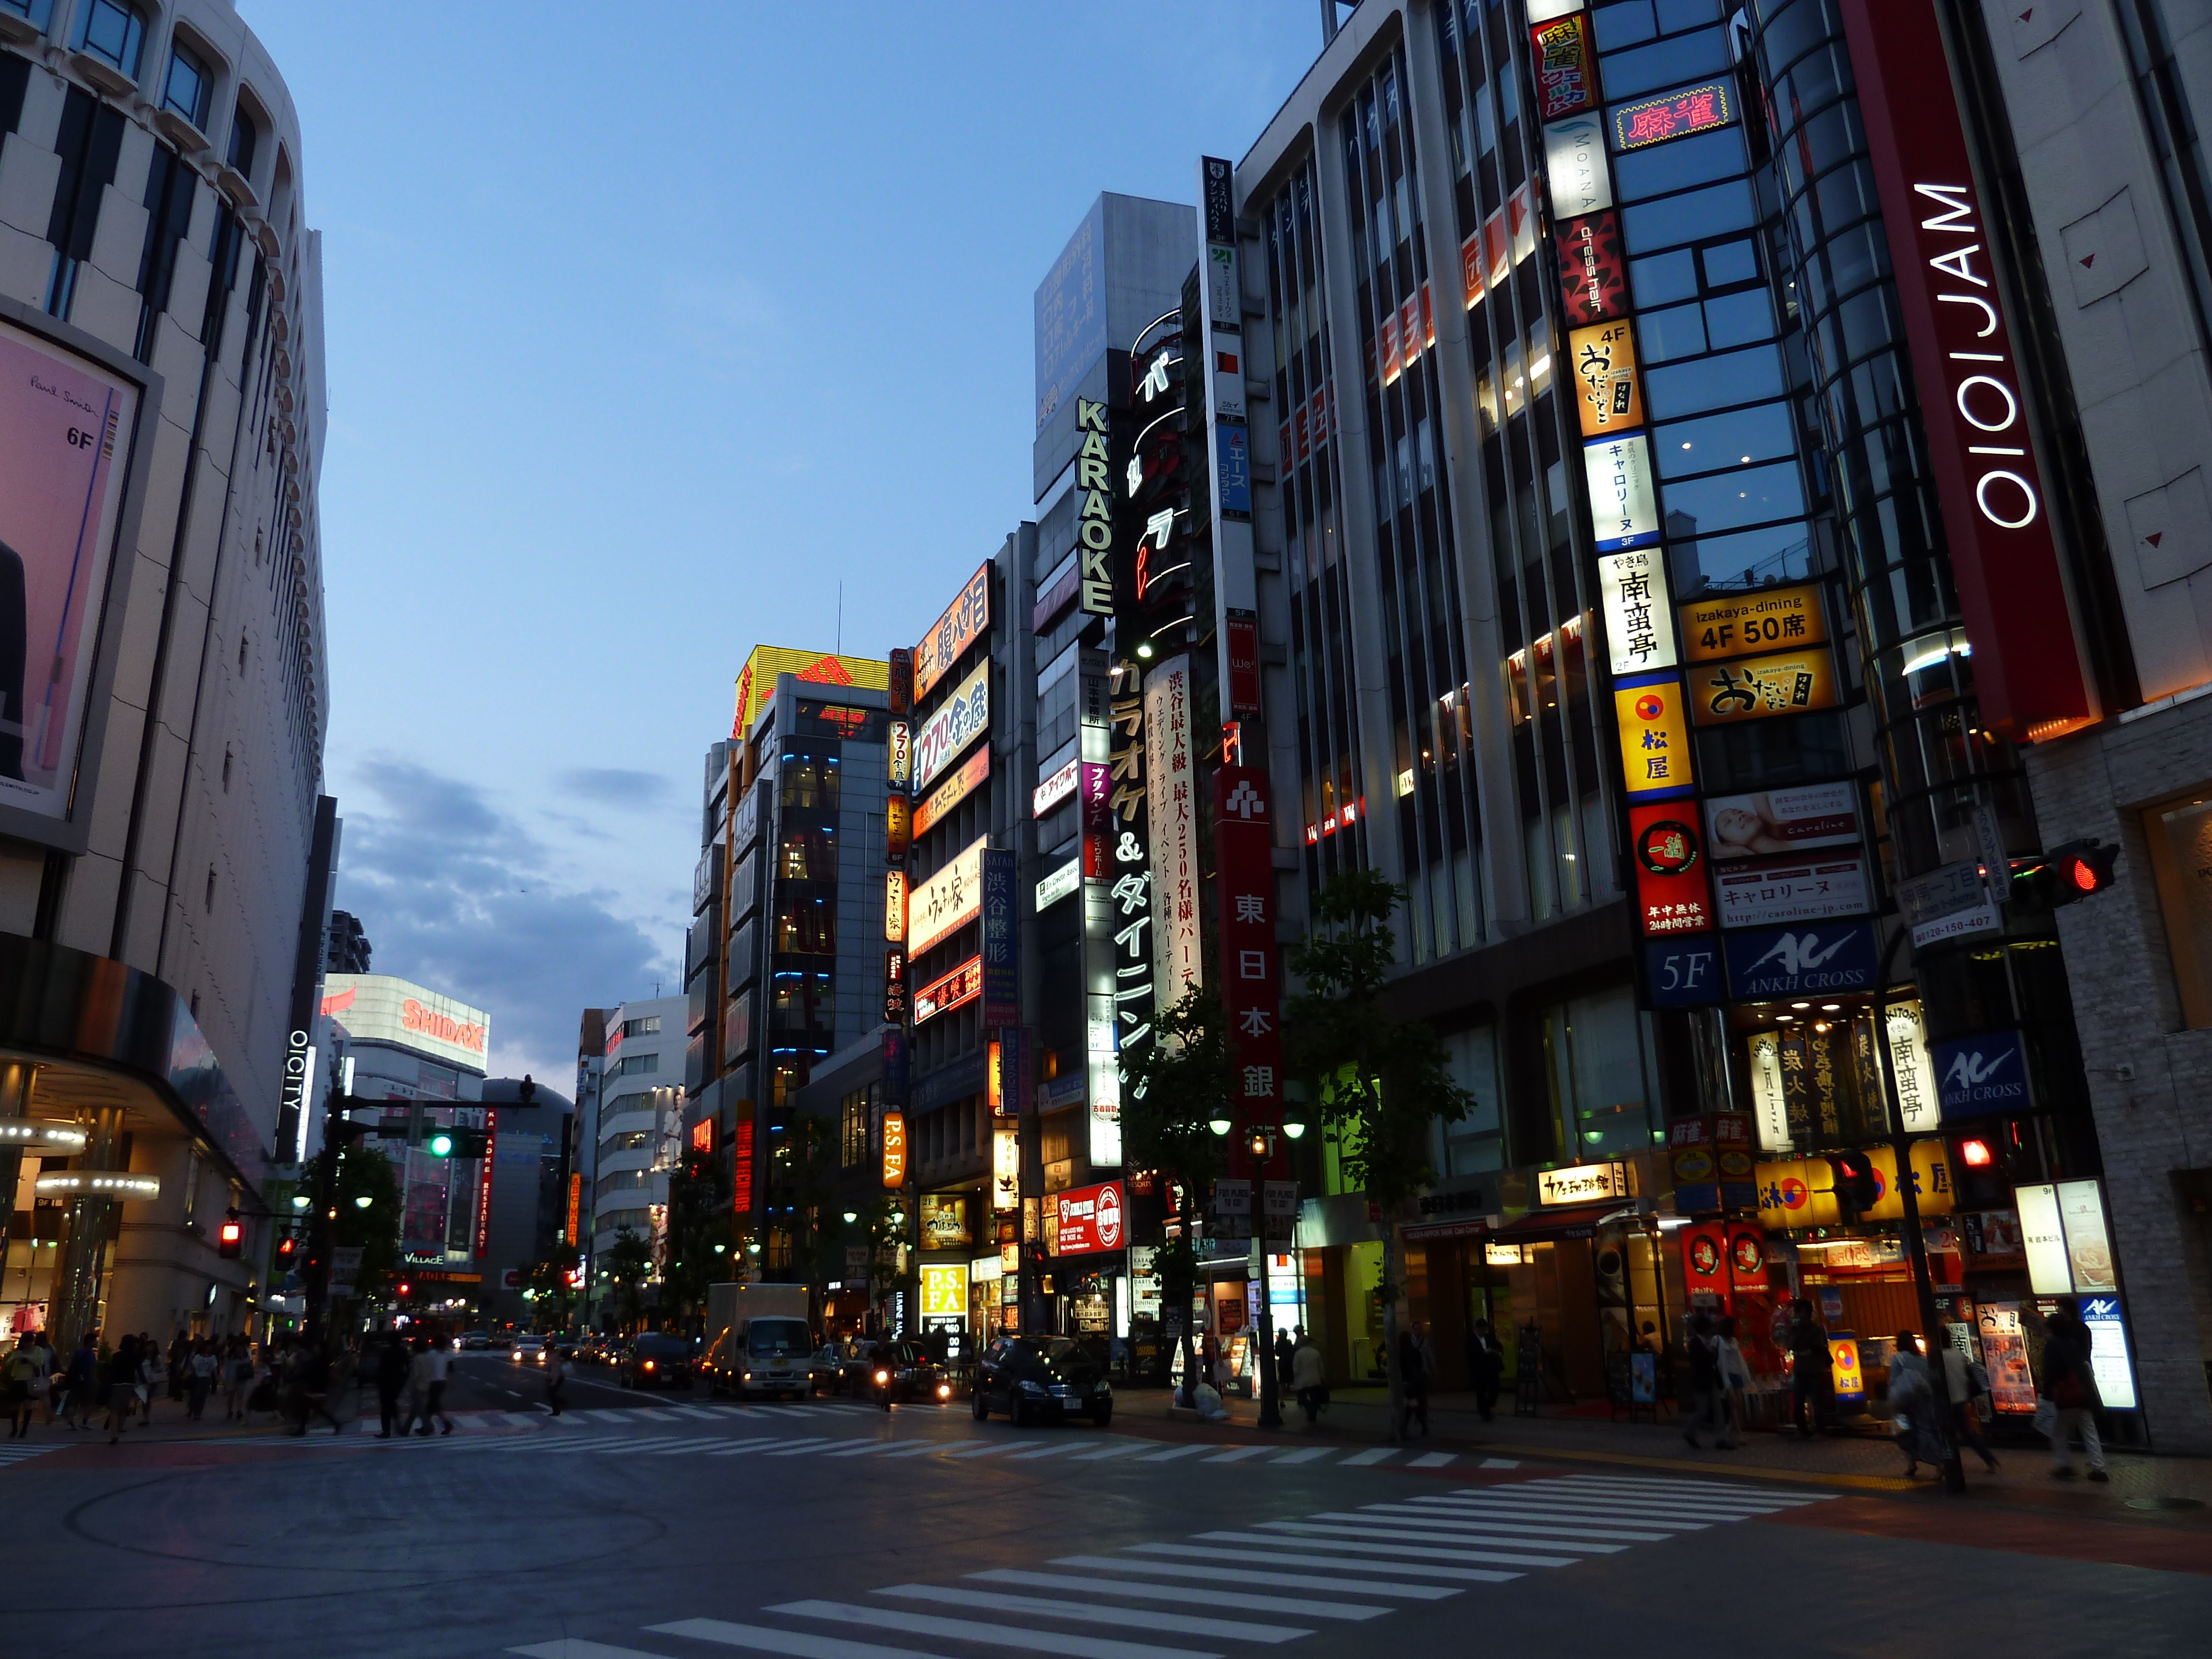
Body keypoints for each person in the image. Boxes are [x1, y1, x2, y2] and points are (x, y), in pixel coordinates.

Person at [2042, 1296, 2108, 1481]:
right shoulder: (2080, 1334)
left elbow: (2051, 1371)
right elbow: (2085, 1359)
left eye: (2059, 1307)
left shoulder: (2054, 1344)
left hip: (2065, 1394)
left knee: (2058, 1431)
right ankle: (2099, 1467)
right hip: (2082, 1390)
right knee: (2089, 1429)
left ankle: (2064, 1466)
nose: (2058, 1309)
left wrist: (2047, 1394)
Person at [1887, 1330, 1944, 1479]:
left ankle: (1930, 1463)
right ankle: (1920, 1464)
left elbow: (1894, 1381)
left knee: (1906, 1431)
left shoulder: (1898, 1359)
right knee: (1926, 1430)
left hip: (1907, 1401)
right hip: (1926, 1399)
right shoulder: (1923, 1359)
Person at [1940, 1339, 2000, 1474]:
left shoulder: (1938, 1357)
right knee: (1967, 1432)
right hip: (1962, 1396)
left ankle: (1949, 1464)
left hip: (1947, 1399)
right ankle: (1988, 1458)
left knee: (1945, 1433)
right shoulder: (1958, 1353)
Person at [1788, 1299, 1832, 1439]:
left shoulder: (1816, 1329)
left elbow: (1817, 1348)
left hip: (1814, 1370)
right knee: (1799, 1402)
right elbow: (1789, 1345)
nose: (1800, 1315)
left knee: (1817, 1402)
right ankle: (1802, 1430)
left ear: (1808, 1313)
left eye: (1802, 1312)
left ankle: (1820, 1430)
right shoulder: (1795, 1328)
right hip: (1800, 1370)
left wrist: (1802, 1351)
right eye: (1798, 1312)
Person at [1682, 1313, 1725, 1448]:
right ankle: (1689, 1432)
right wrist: (1709, 1353)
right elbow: (1697, 1362)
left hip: (1710, 1379)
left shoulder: (1706, 1342)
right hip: (1701, 1382)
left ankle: (1721, 1439)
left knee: (1718, 1410)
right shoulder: (1696, 1343)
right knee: (1702, 1411)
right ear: (1705, 1329)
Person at [1713, 1314, 1751, 1449]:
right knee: (1733, 1403)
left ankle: (1731, 1430)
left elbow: (1739, 1358)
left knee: (1738, 1404)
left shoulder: (1734, 1341)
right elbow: (1714, 1358)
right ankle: (1738, 1433)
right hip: (1726, 1374)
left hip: (1736, 1374)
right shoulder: (1717, 1340)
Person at [103, 1334, 140, 1445]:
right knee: (123, 1409)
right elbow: (138, 1371)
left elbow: (112, 1370)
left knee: (114, 1410)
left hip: (117, 1384)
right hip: (129, 1384)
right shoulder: (135, 1356)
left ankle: (114, 1434)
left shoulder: (117, 1356)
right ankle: (120, 1428)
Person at [4, 1332, 40, 1438]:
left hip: (29, 1380)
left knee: (28, 1405)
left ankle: (24, 1429)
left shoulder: (38, 1351)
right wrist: (16, 1359)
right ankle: (15, 1428)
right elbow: (8, 1363)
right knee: (15, 1406)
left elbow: (40, 1363)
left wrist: (29, 1361)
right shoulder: (18, 1353)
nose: (28, 1345)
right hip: (17, 1380)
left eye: (30, 1342)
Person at [1468, 1319, 1505, 1423]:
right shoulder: (1471, 1339)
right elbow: (1472, 1353)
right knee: (1481, 1391)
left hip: (1491, 1367)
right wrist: (1483, 1352)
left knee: (1496, 1387)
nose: (1484, 1332)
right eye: (1482, 1330)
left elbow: (1498, 1345)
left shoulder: (1488, 1337)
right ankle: (1485, 1412)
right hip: (1479, 1368)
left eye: (1485, 1330)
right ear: (1477, 1329)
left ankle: (1488, 1405)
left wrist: (1499, 1352)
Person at [1395, 1327, 1430, 1438]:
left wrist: (1404, 1381)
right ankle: (1410, 1426)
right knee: (1411, 1404)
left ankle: (1420, 1426)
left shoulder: (1403, 1353)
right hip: (1418, 1380)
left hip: (1408, 1382)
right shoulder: (1415, 1351)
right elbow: (1420, 1365)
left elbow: (1403, 1369)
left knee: (1412, 1404)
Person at [374, 1332, 410, 1438]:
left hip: (386, 1381)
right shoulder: (403, 1351)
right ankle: (398, 1425)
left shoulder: (386, 1352)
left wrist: (379, 1381)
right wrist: (404, 1380)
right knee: (392, 1403)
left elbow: (381, 1368)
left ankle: (387, 1430)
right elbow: (407, 1367)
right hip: (398, 1381)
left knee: (386, 1406)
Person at [61, 1331, 97, 1431]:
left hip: (75, 1379)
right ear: (90, 1342)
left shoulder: (78, 1352)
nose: (96, 1342)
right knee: (88, 1403)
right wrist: (95, 1380)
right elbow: (92, 1368)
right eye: (95, 1340)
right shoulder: (90, 1354)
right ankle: (84, 1422)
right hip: (87, 1380)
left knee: (73, 1402)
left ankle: (71, 1422)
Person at [1291, 1329, 1326, 1425]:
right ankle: (1312, 1416)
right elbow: (1320, 1367)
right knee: (1314, 1398)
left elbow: (1296, 1369)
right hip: (1315, 1379)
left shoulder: (1298, 1354)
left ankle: (1309, 1410)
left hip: (1302, 1380)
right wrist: (1322, 1377)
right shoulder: (1316, 1352)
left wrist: (1295, 1378)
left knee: (1301, 1397)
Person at [221, 1336, 254, 1422]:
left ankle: (239, 1410)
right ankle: (230, 1410)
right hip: (232, 1377)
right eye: (238, 1347)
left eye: (241, 1347)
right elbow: (226, 1367)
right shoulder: (230, 1357)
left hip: (242, 1378)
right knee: (231, 1396)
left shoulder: (245, 1356)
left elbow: (249, 1364)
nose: (239, 1349)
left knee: (240, 1395)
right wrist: (224, 1377)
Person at [186, 1339, 217, 1421]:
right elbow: (193, 1366)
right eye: (208, 1347)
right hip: (197, 1377)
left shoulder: (213, 1357)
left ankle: (198, 1413)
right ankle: (192, 1408)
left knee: (202, 1397)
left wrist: (217, 1378)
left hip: (206, 1378)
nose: (209, 1348)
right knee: (195, 1395)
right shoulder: (198, 1357)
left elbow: (214, 1369)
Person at [545, 1339, 567, 1417]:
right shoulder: (553, 1355)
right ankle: (559, 1407)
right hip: (556, 1377)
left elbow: (556, 1370)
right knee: (551, 1394)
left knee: (551, 1394)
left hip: (557, 1378)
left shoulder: (554, 1357)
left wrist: (554, 1381)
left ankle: (559, 1407)